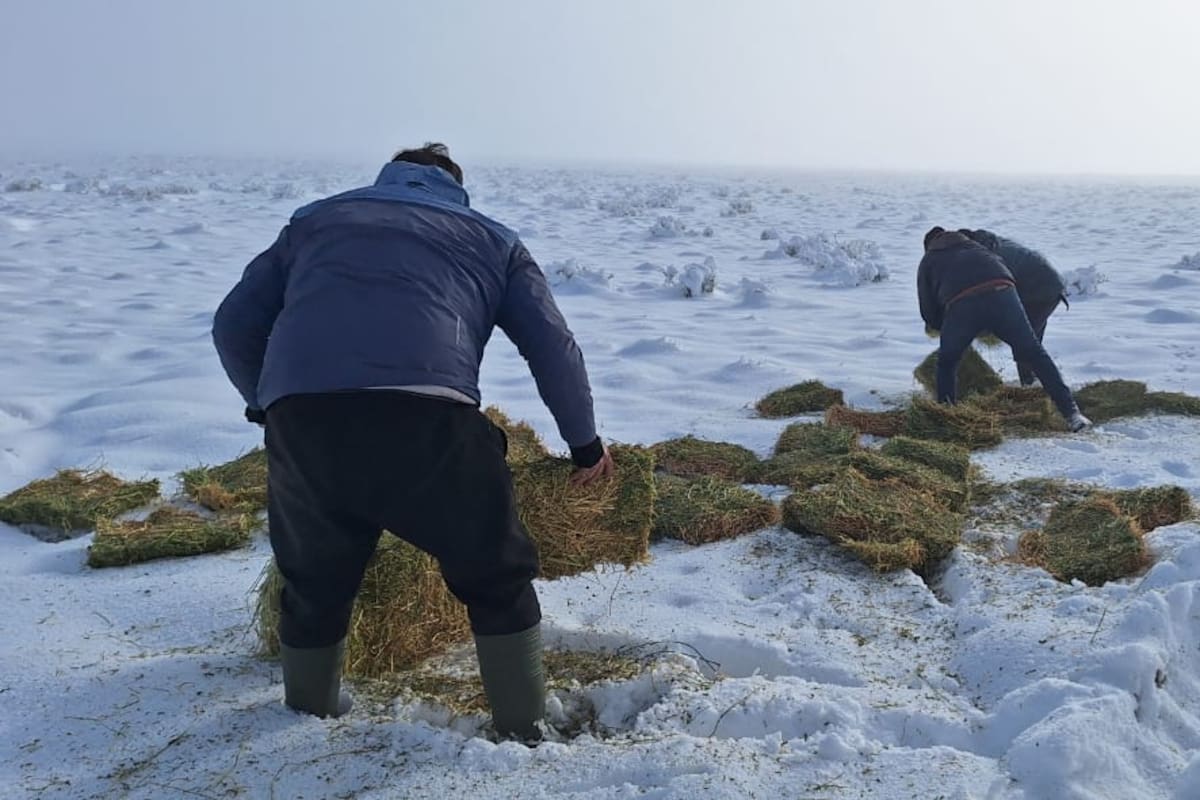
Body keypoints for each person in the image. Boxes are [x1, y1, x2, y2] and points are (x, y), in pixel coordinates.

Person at [212, 143, 614, 741]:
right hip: (430, 418)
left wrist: (271, 408)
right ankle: (524, 728)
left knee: (314, 579)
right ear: (455, 187)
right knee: (496, 573)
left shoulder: (315, 221)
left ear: (388, 176)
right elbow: (553, 348)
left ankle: (305, 723)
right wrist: (585, 446)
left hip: (305, 421)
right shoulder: (494, 239)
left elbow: (232, 325)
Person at [917, 226, 1091, 432]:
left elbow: (928, 311)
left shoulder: (929, 260)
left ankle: (947, 420)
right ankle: (1072, 414)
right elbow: (1000, 273)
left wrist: (945, 328)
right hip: (1004, 292)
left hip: (963, 304)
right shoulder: (978, 246)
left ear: (930, 245)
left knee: (947, 362)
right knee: (1034, 352)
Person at [960, 228, 1069, 387]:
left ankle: (1031, 387)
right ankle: (1038, 384)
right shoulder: (991, 243)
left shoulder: (991, 257)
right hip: (1044, 287)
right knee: (1031, 342)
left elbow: (995, 291)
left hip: (1041, 292)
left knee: (1023, 343)